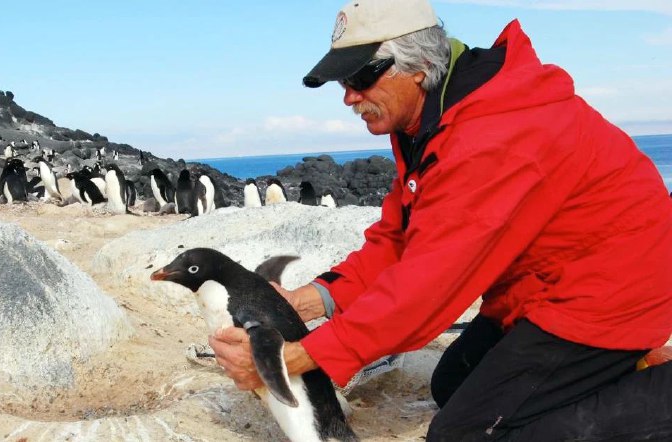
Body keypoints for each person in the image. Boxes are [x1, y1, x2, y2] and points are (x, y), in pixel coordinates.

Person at [209, 0, 672, 439]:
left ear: (418, 67)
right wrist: (305, 301)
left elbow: (428, 288)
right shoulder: (430, 120)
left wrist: (291, 357)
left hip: (608, 297)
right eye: (342, 82)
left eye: (361, 77)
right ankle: (618, 369)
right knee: (452, 384)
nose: (349, 97)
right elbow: (398, 239)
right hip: (541, 288)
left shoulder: (491, 134)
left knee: (466, 433)